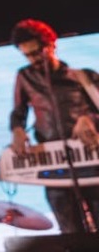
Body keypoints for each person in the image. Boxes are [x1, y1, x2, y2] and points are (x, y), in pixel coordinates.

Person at [8, 18, 99, 234]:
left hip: (90, 160)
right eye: (27, 55)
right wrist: (17, 130)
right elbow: (18, 112)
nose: (33, 60)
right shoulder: (25, 76)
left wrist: (88, 119)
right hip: (54, 164)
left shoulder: (84, 77)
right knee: (70, 232)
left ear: (52, 45)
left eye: (37, 53)